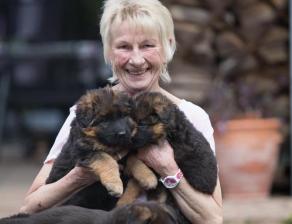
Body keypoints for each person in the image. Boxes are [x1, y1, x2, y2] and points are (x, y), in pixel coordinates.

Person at [19, 0, 223, 223]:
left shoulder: (191, 116)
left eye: (147, 46)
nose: (136, 60)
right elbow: (30, 207)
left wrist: (168, 169)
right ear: (109, 51)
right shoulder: (89, 111)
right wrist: (80, 176)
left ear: (168, 46)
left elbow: (212, 218)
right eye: (124, 47)